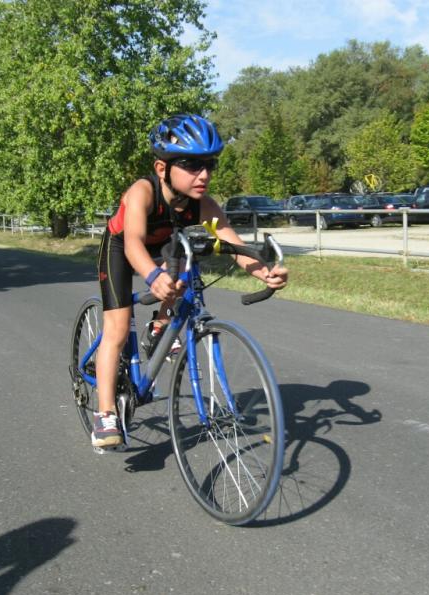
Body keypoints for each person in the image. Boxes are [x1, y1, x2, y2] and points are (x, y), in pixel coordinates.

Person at [92, 114, 289, 448]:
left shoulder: (204, 205)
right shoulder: (142, 192)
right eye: (192, 165)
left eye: (209, 165)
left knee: (186, 265)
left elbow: (235, 246)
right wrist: (152, 276)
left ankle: (159, 327)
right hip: (122, 247)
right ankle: (105, 413)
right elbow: (133, 244)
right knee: (118, 328)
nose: (205, 174)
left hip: (165, 246)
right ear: (161, 168)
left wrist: (265, 271)